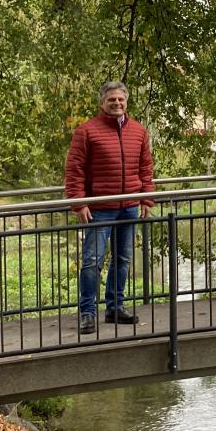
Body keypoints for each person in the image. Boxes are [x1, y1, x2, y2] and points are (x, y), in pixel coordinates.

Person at [65, 82, 155, 335]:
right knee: (92, 261)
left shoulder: (138, 131)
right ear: (102, 103)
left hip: (129, 206)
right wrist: (79, 203)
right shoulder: (87, 131)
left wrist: (147, 199)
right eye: (111, 100)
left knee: (123, 259)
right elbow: (75, 170)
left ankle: (115, 307)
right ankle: (87, 313)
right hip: (99, 207)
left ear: (126, 102)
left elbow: (146, 168)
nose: (117, 103)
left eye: (120, 100)